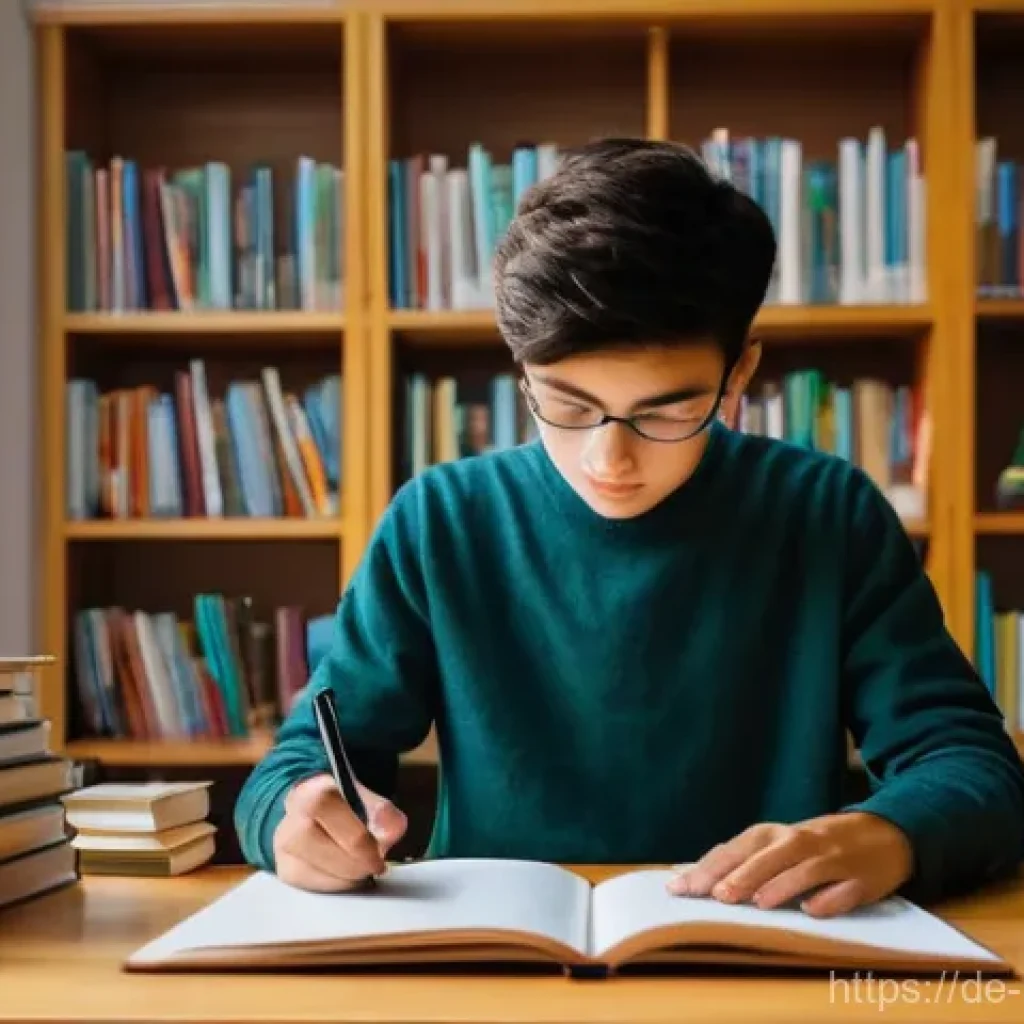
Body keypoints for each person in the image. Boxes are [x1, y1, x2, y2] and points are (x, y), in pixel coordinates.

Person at [234, 137, 1024, 916]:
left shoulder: (827, 514)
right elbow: (298, 764)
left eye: (668, 410)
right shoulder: (441, 519)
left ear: (739, 372)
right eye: (567, 407)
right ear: (521, 370)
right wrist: (292, 815)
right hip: (495, 961)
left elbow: (972, 765)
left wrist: (889, 833)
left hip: (766, 945)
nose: (608, 459)